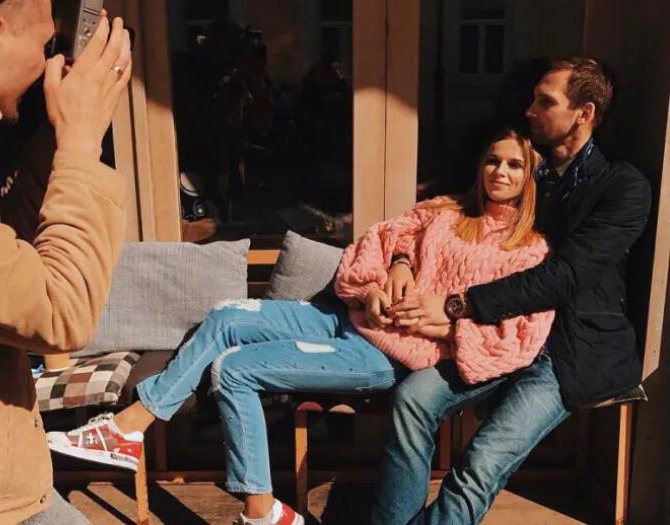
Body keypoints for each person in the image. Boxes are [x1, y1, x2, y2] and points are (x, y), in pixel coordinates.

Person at [48, 126, 555, 524]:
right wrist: (385, 277)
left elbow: (518, 342)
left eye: (515, 165)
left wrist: (441, 327)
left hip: (384, 357)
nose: (500, 171)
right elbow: (386, 237)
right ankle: (130, 427)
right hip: (344, 319)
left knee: (235, 368)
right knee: (227, 314)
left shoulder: (529, 251)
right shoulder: (444, 212)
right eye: (493, 160)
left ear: (531, 177)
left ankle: (261, 511)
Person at [371, 58, 653, 525]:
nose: (530, 110)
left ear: (584, 114)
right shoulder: (525, 170)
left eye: (545, 102)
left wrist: (459, 304)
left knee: (480, 463)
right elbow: (437, 212)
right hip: (502, 336)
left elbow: (564, 277)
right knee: (410, 400)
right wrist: (401, 259)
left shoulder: (622, 187)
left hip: (567, 350)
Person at [0, 0, 132, 523]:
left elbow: (12, 259)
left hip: (5, 478)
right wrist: (82, 143)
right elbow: (58, 312)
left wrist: (55, 136)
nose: (50, 62)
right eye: (45, 46)